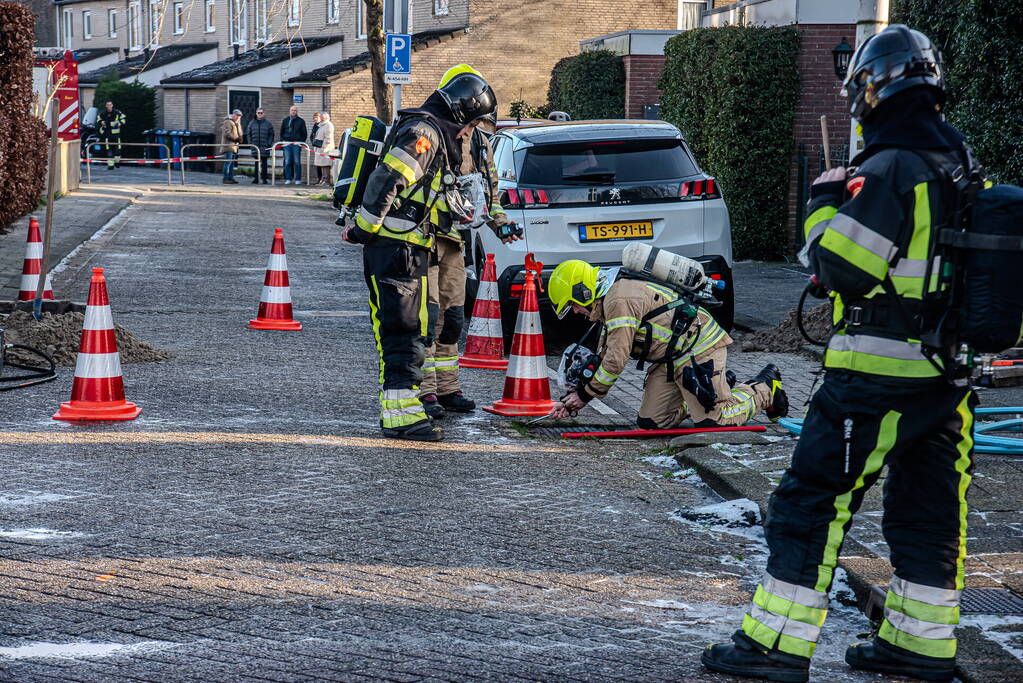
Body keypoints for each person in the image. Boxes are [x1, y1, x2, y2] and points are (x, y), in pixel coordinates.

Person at [702, 25, 978, 683]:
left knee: (811, 502)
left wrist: (822, 202)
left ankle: (774, 643)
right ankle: (920, 644)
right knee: (928, 509)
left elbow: (837, 269)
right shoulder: (959, 164)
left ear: (874, 89)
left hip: (874, 375)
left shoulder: (891, 168)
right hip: (943, 377)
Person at [340, 70, 498, 442]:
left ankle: (406, 413)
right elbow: (387, 179)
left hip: (409, 248)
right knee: (402, 334)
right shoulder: (424, 134)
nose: (468, 133)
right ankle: (401, 418)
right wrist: (365, 227)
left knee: (413, 331)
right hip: (397, 250)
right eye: (470, 124)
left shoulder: (438, 133)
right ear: (461, 111)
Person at [546, 260, 788, 428]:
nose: (576, 312)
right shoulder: (609, 301)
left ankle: (765, 389)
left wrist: (585, 396)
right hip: (671, 359)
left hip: (700, 348)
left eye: (573, 305)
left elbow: (615, 360)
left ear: (582, 291)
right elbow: (605, 355)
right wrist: (573, 397)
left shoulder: (618, 300)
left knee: (713, 422)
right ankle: (710, 391)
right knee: (651, 423)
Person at [419, 65, 520, 420]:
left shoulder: (479, 141)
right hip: (426, 239)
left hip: (456, 241)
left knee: (452, 318)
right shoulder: (430, 132)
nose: (474, 125)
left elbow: (488, 190)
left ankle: (448, 389)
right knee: (428, 317)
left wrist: (501, 223)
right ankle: (426, 392)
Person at [246, 107, 274, 184]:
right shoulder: (251, 123)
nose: (260, 114)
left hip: (264, 147)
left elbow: (271, 134)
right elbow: (248, 134)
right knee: (256, 163)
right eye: (258, 113)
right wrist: (250, 144)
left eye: (261, 113)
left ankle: (264, 179)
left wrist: (268, 143)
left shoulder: (268, 124)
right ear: (256, 113)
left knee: (264, 163)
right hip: (255, 146)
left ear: (264, 114)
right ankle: (256, 179)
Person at [280, 105, 307, 185]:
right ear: (290, 111)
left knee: (297, 161)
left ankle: (298, 179)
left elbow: (304, 133)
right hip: (287, 144)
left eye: (295, 110)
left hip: (296, 144)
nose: (293, 111)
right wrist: (283, 140)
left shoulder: (301, 121)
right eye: (292, 110)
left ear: (297, 111)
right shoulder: (285, 120)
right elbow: (282, 131)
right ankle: (288, 178)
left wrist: (301, 142)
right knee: (287, 161)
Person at [97, 100, 125, 170]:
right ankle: (110, 165)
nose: (109, 106)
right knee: (109, 150)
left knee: (118, 150)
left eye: (110, 105)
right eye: (107, 105)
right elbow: (98, 119)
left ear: (112, 105)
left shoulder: (117, 112)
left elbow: (123, 118)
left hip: (116, 135)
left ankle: (117, 162)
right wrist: (101, 122)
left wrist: (120, 123)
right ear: (106, 106)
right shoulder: (103, 113)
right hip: (107, 134)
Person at [311, 111, 336, 186]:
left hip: (325, 149)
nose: (320, 118)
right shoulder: (322, 125)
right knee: (322, 165)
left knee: (325, 165)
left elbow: (328, 138)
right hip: (320, 148)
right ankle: (323, 179)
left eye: (321, 117)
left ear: (325, 118)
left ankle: (326, 180)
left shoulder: (328, 125)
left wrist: (323, 147)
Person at [220, 109, 243, 184]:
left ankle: (230, 177)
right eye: (237, 115)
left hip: (234, 146)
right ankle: (226, 178)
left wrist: (240, 138)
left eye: (240, 116)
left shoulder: (237, 123)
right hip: (228, 146)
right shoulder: (228, 122)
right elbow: (227, 133)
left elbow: (239, 133)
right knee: (228, 162)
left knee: (232, 163)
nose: (239, 117)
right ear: (233, 115)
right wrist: (235, 138)